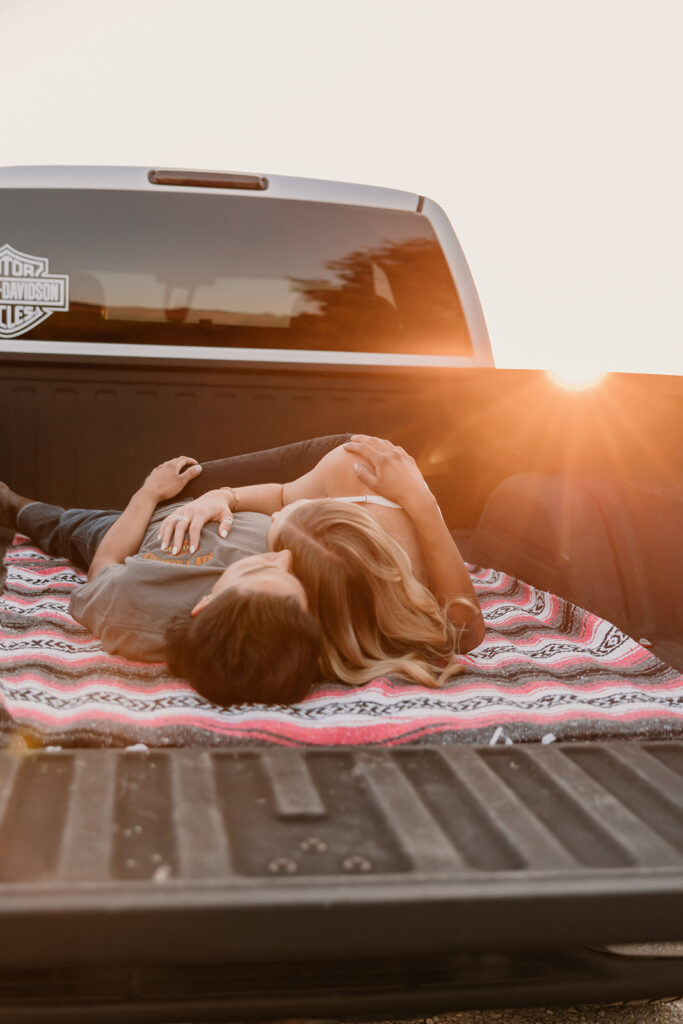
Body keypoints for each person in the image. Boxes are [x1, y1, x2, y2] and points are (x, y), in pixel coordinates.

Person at [0, 434, 484, 705]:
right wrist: (220, 495)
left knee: (74, 528)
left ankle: (19, 507)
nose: (280, 557)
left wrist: (148, 495)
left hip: (153, 522)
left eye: (256, 572)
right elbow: (464, 629)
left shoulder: (133, 614)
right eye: (289, 576)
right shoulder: (337, 589)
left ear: (204, 604)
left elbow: (106, 560)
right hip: (291, 493)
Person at [157, 434, 485, 689]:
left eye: (274, 525)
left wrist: (422, 501)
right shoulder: (349, 604)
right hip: (350, 478)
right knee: (193, 486)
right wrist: (223, 495)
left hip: (360, 457)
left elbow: (285, 495)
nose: (281, 556)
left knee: (190, 480)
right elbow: (285, 495)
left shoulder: (348, 466)